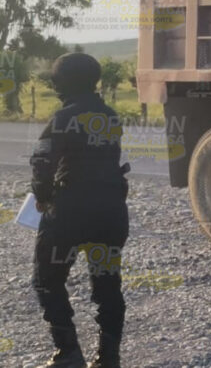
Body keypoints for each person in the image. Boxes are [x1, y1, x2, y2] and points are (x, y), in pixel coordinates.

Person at [31, 53, 130, 368]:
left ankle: (68, 353)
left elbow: (41, 163)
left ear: (62, 83)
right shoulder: (111, 116)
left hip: (70, 212)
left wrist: (42, 196)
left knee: (47, 278)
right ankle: (109, 358)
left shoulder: (61, 119)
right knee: (107, 284)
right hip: (111, 213)